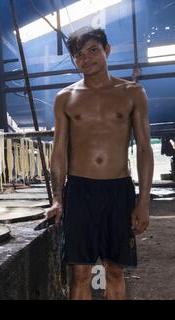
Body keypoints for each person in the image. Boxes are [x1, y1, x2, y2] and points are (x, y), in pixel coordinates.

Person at [46, 27, 154, 300]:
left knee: (115, 271)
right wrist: (58, 198)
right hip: (80, 191)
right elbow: (58, 150)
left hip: (118, 190)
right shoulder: (65, 98)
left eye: (93, 50)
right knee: (80, 273)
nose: (86, 59)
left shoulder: (133, 93)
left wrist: (143, 202)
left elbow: (144, 148)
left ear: (107, 50)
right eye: (78, 55)